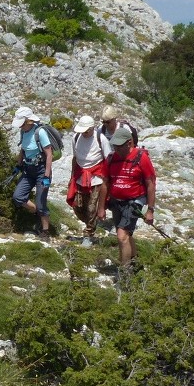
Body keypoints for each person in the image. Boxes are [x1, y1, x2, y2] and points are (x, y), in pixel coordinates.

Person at [104, 125, 156, 270]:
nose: (117, 150)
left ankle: (124, 271)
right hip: (116, 201)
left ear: (129, 143)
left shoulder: (141, 158)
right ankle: (135, 261)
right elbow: (105, 183)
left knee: (121, 236)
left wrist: (150, 210)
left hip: (134, 201)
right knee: (126, 234)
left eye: (120, 146)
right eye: (115, 146)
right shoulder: (111, 158)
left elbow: (150, 183)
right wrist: (101, 206)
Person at [67, 114, 110, 246]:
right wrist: (72, 176)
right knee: (77, 206)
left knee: (91, 208)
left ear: (92, 129)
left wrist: (106, 180)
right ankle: (91, 223)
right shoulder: (76, 137)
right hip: (80, 176)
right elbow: (75, 157)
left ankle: (88, 234)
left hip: (96, 178)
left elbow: (108, 159)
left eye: (86, 131)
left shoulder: (101, 139)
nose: (84, 133)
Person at [11, 106, 53, 238]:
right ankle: (38, 213)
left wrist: (46, 175)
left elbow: (49, 154)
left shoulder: (39, 132)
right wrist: (18, 165)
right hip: (28, 169)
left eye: (22, 123)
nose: (20, 126)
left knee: (41, 202)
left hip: (41, 170)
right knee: (18, 197)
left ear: (28, 121)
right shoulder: (23, 133)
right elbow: (23, 150)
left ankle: (45, 231)